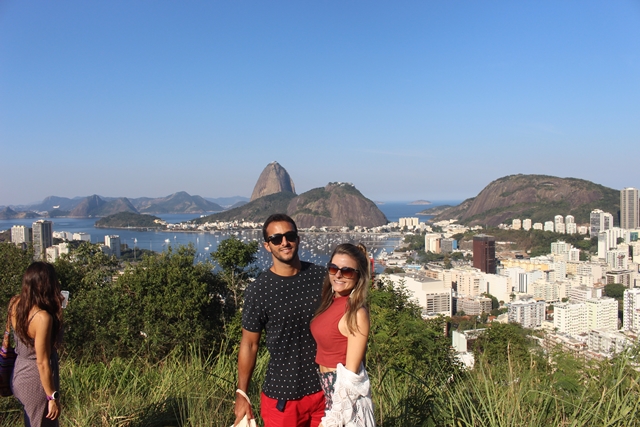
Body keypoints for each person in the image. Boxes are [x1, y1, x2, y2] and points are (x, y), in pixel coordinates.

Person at [234, 213, 326, 427]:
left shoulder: (321, 277)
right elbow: (249, 344)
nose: (284, 242)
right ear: (267, 246)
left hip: (325, 391)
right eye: (276, 239)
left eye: (290, 236)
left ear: (298, 239)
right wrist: (242, 393)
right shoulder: (259, 290)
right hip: (282, 396)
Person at [310, 243, 375, 427]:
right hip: (327, 389)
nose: (338, 275)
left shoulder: (356, 313)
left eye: (347, 271)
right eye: (333, 268)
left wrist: (333, 418)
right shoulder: (330, 302)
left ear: (358, 276)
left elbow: (351, 377)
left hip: (344, 399)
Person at [10, 262, 63, 427]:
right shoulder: (42, 318)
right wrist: (51, 397)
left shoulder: (15, 303)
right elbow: (42, 362)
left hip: (19, 370)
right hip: (36, 380)